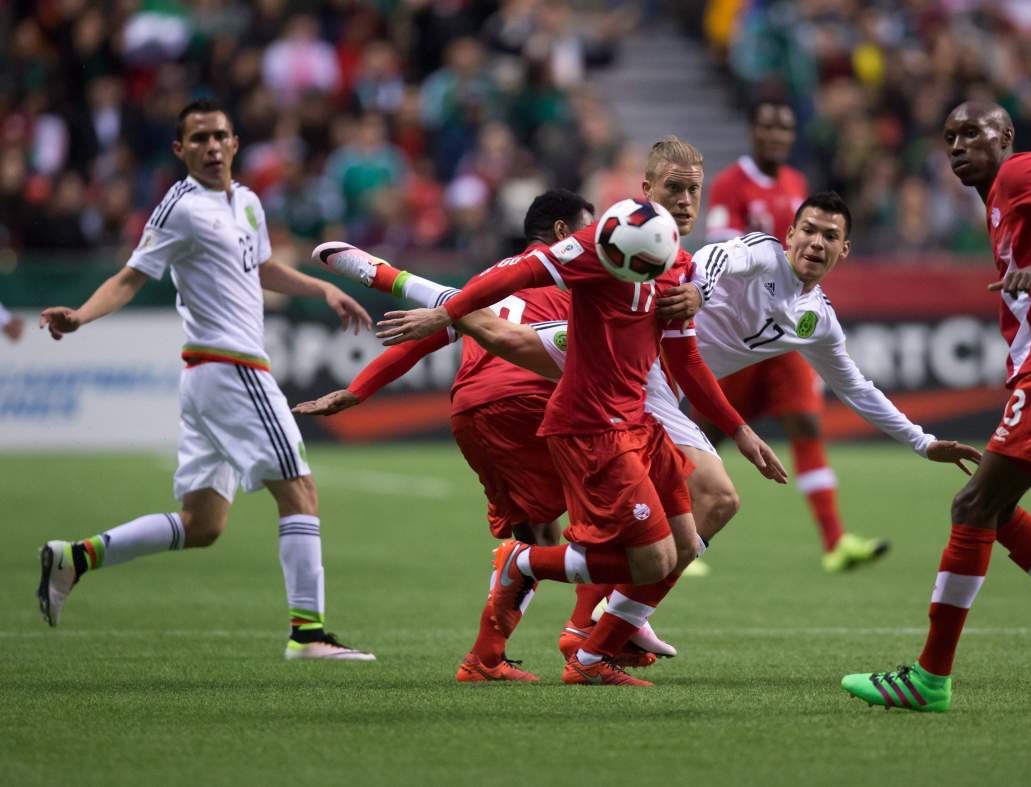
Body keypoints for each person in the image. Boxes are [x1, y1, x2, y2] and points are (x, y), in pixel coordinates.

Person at [357, 193, 980, 567]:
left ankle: (599, 618)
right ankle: (397, 280)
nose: (815, 243)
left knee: (673, 535)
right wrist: (690, 295)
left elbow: (859, 389)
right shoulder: (755, 252)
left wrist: (926, 443)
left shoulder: (819, 322)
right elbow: (708, 261)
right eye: (808, 231)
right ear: (790, 233)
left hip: (650, 380)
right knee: (503, 335)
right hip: (635, 361)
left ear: (844, 252)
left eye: (829, 237)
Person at [377, 137, 787, 686]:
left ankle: (594, 648)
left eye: (695, 189)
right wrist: (446, 313)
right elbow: (516, 274)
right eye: (675, 189)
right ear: (647, 189)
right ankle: (536, 581)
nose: (688, 201)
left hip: (638, 419)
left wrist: (739, 430)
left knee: (691, 536)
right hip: (592, 425)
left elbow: (686, 359)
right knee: (651, 559)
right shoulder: (601, 242)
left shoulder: (680, 264)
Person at [36, 100, 376, 661]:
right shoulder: (181, 208)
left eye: (219, 136)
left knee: (202, 524)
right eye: (198, 139)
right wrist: (79, 316)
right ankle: (308, 634)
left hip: (207, 378)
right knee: (299, 490)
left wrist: (322, 288)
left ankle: (76, 557)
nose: (212, 147)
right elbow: (130, 277)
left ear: (236, 142)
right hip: (231, 368)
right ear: (180, 150)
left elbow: (261, 266)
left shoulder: (246, 202)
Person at [841, 101, 1031, 712]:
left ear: (1005, 136)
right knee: (995, 508)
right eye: (949, 135)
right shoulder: (995, 204)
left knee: (973, 504)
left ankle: (930, 678)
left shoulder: (1020, 172)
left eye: (973, 133)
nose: (957, 145)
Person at [303, 190, 670, 681]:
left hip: (471, 413)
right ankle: (595, 636)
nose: (597, 240)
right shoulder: (581, 274)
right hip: (532, 405)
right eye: (589, 230)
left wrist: (358, 389)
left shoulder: (487, 280)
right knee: (624, 529)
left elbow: (430, 334)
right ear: (564, 234)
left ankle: (485, 657)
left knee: (538, 533)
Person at [704, 97, 879, 573]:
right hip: (744, 329)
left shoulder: (797, 183)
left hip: (788, 335)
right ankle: (681, 530)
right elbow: (722, 245)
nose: (777, 137)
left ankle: (835, 541)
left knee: (806, 423)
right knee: (711, 429)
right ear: (753, 132)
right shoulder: (729, 183)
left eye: (784, 129)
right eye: (768, 128)